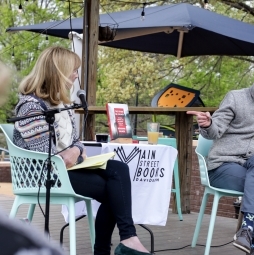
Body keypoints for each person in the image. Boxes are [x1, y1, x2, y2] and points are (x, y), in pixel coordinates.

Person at [12, 46, 151, 255]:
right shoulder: (31, 106)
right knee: (115, 191)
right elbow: (47, 156)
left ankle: (127, 239)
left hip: (66, 169)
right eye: (73, 70)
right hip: (44, 176)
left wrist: (75, 151)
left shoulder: (60, 103)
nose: (76, 75)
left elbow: (76, 143)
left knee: (119, 169)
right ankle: (112, 247)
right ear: (57, 71)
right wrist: (73, 153)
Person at [187, 61, 254, 255]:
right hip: (223, 165)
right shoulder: (236, 98)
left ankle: (247, 230)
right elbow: (214, 130)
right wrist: (208, 123)